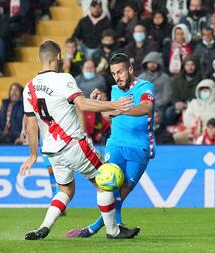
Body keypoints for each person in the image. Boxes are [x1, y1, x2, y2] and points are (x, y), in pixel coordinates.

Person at [19, 40, 139, 240]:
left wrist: (33, 154)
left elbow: (31, 125)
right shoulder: (63, 79)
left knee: (65, 190)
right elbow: (82, 105)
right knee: (105, 180)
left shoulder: (28, 88)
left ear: (40, 59)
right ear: (58, 57)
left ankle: (44, 226)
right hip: (73, 144)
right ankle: (113, 231)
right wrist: (114, 104)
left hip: (51, 151)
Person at [65, 53, 156, 238]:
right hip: (115, 145)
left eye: (120, 71)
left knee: (120, 194)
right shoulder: (114, 90)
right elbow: (108, 116)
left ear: (130, 69)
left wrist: (122, 109)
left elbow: (146, 107)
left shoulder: (145, 87)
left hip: (139, 147)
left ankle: (94, 228)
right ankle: (114, 228)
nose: (118, 76)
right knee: (109, 184)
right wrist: (101, 104)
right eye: (114, 73)